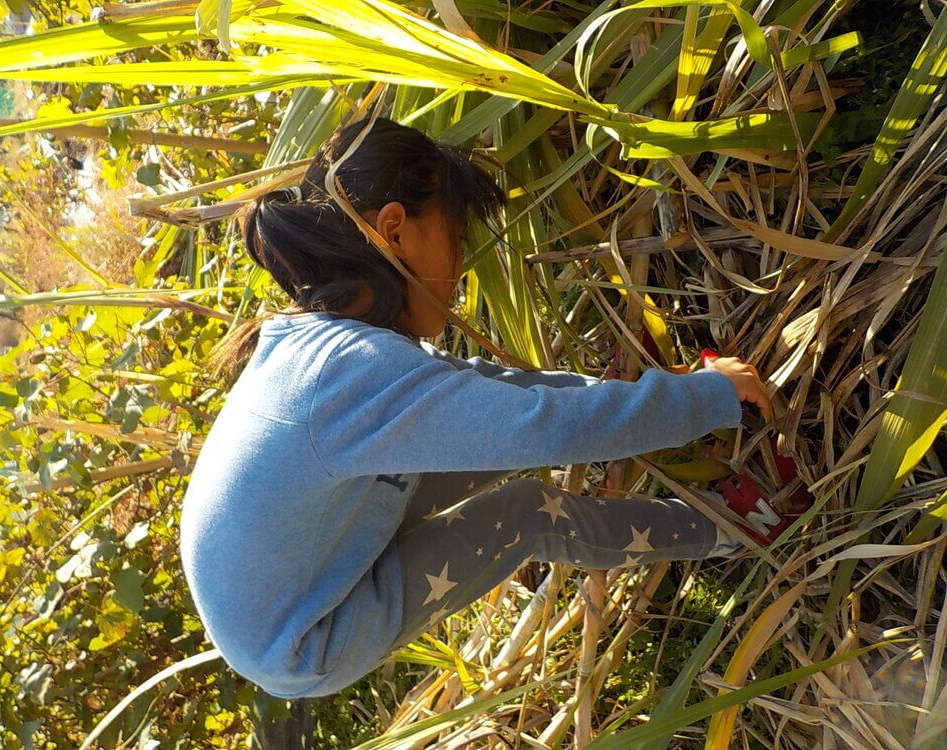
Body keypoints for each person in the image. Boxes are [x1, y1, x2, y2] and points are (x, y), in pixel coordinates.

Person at [178, 114, 773, 700]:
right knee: (527, 514)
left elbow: (495, 393)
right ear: (394, 229)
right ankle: (732, 528)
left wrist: (633, 392)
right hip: (305, 635)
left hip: (324, 543)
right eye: (456, 239)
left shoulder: (325, 346)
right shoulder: (351, 371)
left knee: (499, 448)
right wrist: (708, 397)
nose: (459, 269)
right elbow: (542, 429)